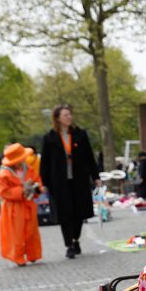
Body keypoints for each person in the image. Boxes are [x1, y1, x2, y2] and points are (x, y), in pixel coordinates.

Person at [40, 103, 101, 259]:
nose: (69, 117)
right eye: (65, 115)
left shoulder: (80, 134)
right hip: (59, 182)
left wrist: (96, 176)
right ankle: (70, 244)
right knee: (64, 214)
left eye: (69, 114)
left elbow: (89, 157)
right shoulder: (49, 138)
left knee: (79, 213)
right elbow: (45, 163)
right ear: (58, 118)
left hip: (78, 180)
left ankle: (75, 238)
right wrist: (44, 183)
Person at [0, 143, 42, 266]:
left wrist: (37, 189)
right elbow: (3, 191)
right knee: (16, 234)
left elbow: (37, 180)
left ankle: (33, 254)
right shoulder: (3, 173)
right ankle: (18, 257)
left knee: (31, 231)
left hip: (28, 204)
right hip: (13, 208)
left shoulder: (28, 168)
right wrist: (21, 191)